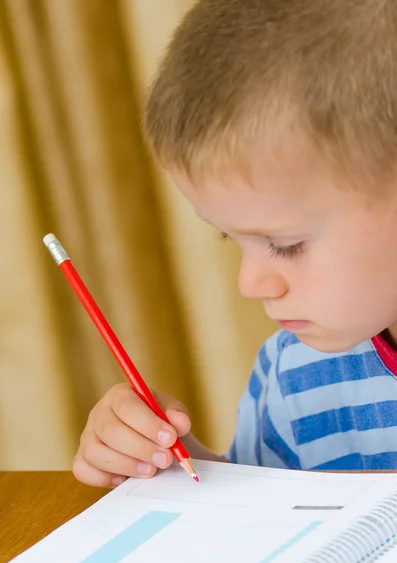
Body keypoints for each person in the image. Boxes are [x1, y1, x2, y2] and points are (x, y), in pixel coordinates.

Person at [73, 0, 397, 489]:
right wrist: (166, 462)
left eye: (285, 243)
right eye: (231, 236)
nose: (249, 282)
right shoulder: (291, 375)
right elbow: (260, 506)